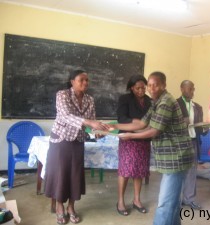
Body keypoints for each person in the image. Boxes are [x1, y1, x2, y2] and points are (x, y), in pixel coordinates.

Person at [110, 71, 194, 225]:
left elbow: (155, 130)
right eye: (149, 85)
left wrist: (130, 136)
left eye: (156, 85)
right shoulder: (156, 102)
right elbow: (142, 124)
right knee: (172, 203)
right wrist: (113, 126)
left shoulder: (165, 102)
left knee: (165, 204)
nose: (151, 88)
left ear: (164, 85)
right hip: (172, 157)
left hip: (177, 157)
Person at [44, 70, 110, 224]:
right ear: (72, 81)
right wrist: (89, 123)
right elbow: (66, 116)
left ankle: (71, 206)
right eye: (81, 80)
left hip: (78, 140)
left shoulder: (90, 99)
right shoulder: (62, 95)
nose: (85, 83)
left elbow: (92, 122)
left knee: (75, 174)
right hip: (61, 139)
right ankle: (60, 205)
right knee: (61, 173)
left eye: (87, 80)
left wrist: (97, 132)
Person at [116, 75, 152, 216]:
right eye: (138, 88)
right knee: (125, 171)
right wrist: (138, 125)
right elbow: (122, 118)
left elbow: (152, 119)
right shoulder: (125, 99)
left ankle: (137, 200)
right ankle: (120, 201)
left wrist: (144, 129)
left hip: (144, 141)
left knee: (139, 171)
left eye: (144, 87)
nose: (141, 90)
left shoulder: (149, 101)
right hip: (128, 140)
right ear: (131, 88)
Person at [177, 80, 203, 210]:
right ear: (182, 89)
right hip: (178, 143)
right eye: (190, 89)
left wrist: (205, 128)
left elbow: (200, 129)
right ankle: (176, 200)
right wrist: (183, 122)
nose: (193, 92)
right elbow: (168, 124)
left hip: (192, 141)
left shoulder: (198, 107)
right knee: (177, 171)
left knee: (192, 171)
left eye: (193, 89)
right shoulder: (174, 104)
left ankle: (189, 199)